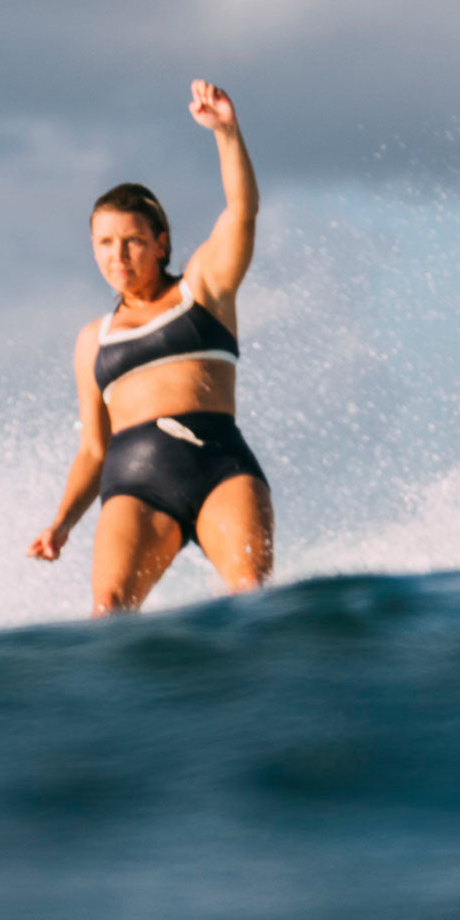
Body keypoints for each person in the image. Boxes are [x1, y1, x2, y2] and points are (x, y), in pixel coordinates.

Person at [28, 80, 273, 614]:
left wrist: (226, 133)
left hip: (220, 468)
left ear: (161, 242)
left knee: (250, 593)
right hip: (134, 486)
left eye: (133, 240)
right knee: (109, 607)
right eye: (105, 243)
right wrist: (61, 522)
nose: (118, 254)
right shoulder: (93, 339)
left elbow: (241, 211)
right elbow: (93, 448)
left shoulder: (203, 290)